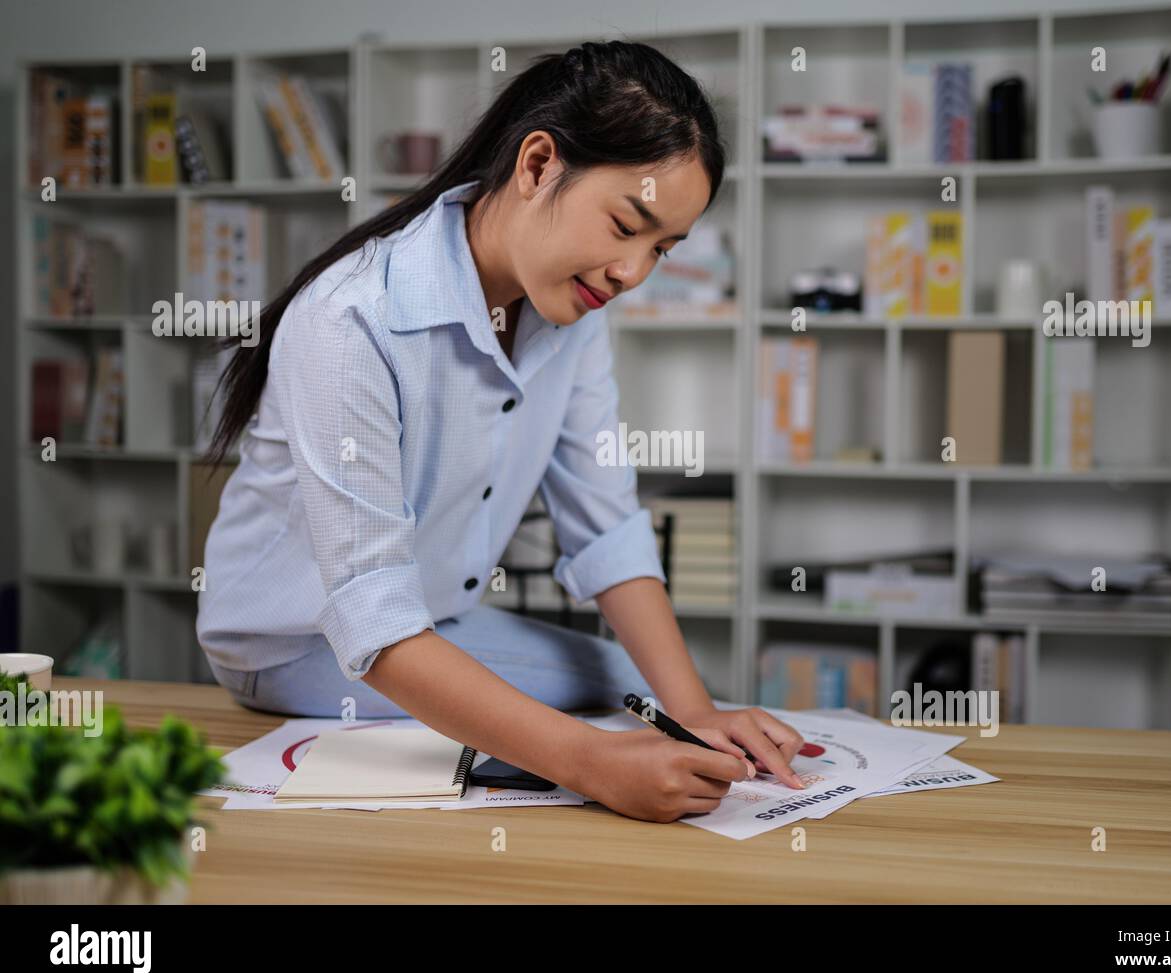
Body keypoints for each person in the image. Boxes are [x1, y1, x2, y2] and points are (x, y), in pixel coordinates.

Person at [196, 40, 804, 824]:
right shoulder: (352, 319)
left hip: (435, 616)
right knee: (607, 708)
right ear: (538, 164)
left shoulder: (572, 313)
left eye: (660, 249)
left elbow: (605, 521)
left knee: (642, 691)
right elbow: (374, 622)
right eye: (627, 224)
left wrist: (695, 708)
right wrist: (593, 767)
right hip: (292, 643)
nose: (632, 273)